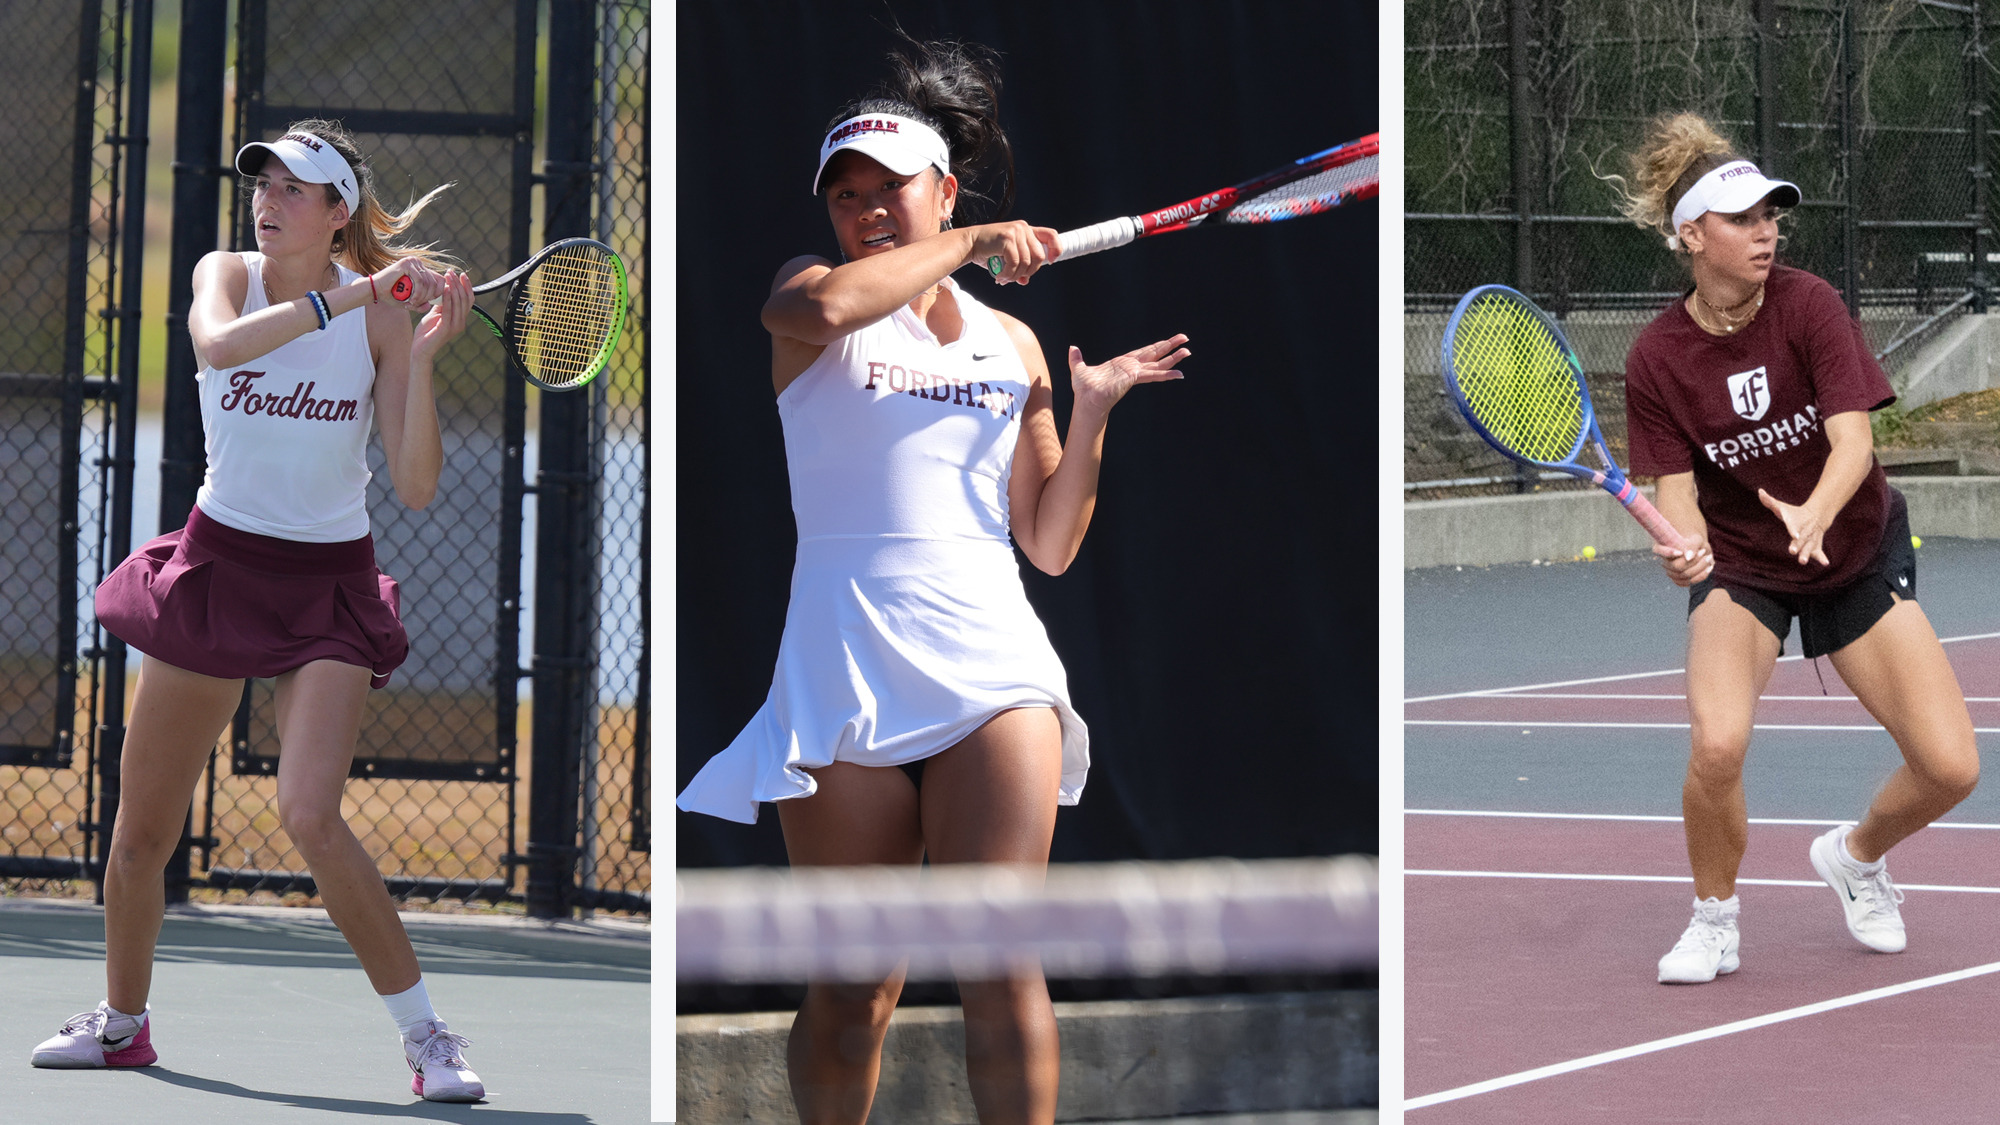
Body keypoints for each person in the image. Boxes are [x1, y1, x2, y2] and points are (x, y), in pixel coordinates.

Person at [675, 38, 1189, 1125]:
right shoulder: (805, 292)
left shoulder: (1014, 343)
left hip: (992, 670)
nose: (867, 210)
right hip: (844, 671)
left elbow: (1049, 543)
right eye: (846, 195)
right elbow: (827, 312)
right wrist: (971, 242)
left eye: (891, 190)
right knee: (855, 986)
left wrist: (1090, 416)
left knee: (998, 963)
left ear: (944, 188)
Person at [29, 121, 488, 1101]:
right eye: (262, 182)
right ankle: (122, 1025)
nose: (267, 200)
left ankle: (427, 1038)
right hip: (218, 568)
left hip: (327, 585)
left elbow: (413, 487)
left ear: (338, 215)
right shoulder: (226, 275)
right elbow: (218, 345)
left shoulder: (380, 323)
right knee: (139, 838)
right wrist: (358, 294)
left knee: (308, 812)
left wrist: (422, 357)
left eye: (293, 188)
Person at [1609, 113, 1979, 985]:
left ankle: (1855, 857)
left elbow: (1853, 442)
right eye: (1742, 219)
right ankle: (1714, 918)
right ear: (1691, 235)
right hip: (1745, 569)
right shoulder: (1657, 358)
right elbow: (1678, 497)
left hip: (1853, 549)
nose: (1766, 231)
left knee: (1951, 766)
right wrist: (1685, 551)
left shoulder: (1809, 304)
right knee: (1716, 745)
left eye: (1771, 215)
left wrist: (1814, 512)